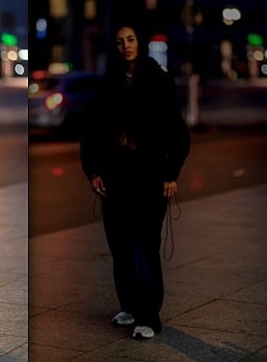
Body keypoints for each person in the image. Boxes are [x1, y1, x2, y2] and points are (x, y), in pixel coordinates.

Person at [79, 23, 190, 340]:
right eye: (119, 41)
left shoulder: (158, 80)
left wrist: (171, 174)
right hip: (115, 178)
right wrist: (93, 171)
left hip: (150, 177)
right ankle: (128, 305)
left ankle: (149, 316)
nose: (125, 45)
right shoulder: (109, 83)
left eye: (130, 39)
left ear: (139, 42)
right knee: (120, 246)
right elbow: (92, 132)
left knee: (146, 246)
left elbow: (178, 133)